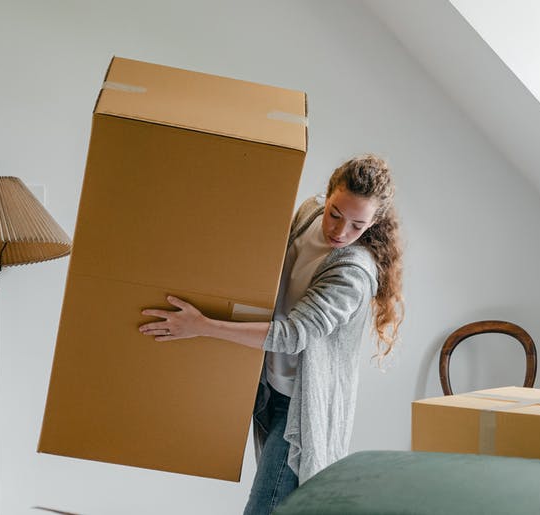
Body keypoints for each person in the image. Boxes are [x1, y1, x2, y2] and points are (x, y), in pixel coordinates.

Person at [138, 154, 404, 514]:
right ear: (326, 197)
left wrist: (201, 327)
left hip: (302, 405)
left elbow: (291, 335)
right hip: (270, 386)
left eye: (357, 225)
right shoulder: (308, 215)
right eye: (335, 213)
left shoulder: (353, 273)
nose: (340, 232)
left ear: (373, 224)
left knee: (264, 508)